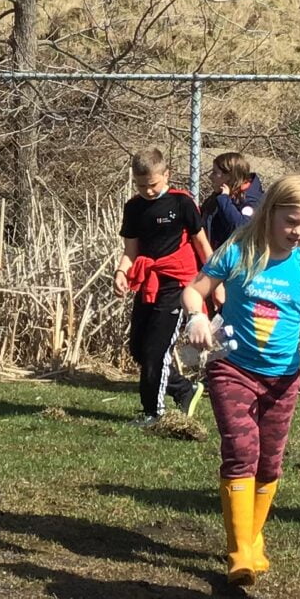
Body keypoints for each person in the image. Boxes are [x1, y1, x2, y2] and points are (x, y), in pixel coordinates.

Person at [180, 173, 300, 587]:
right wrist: (198, 316)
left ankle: (252, 539)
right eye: (292, 222)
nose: (299, 232)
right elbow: (195, 290)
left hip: (283, 379)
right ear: (270, 212)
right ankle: (240, 554)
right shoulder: (238, 250)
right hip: (231, 367)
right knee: (241, 451)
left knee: (270, 461)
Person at [118, 148, 211, 424]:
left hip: (178, 284)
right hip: (149, 283)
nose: (147, 190)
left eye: (153, 184)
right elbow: (130, 250)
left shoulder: (182, 203)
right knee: (139, 349)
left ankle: (153, 414)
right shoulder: (133, 208)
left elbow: (201, 244)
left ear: (166, 174)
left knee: (156, 351)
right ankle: (184, 389)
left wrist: (214, 282)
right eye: (141, 185)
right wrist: (122, 272)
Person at [203, 152, 266, 252]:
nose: (210, 177)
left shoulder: (250, 200)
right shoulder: (223, 193)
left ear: (229, 176)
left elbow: (241, 226)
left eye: (215, 173)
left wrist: (224, 199)